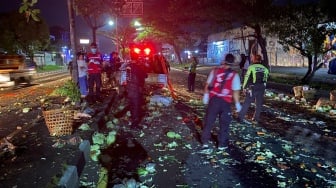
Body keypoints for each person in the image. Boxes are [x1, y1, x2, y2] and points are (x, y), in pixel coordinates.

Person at [201, 53, 242, 151]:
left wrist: (206, 96)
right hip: (225, 102)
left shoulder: (215, 71)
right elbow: (235, 91)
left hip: (213, 100)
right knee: (224, 123)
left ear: (223, 60)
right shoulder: (234, 75)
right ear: (233, 62)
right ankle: (222, 144)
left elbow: (207, 85)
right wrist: (237, 104)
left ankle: (205, 142)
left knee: (209, 121)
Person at [238, 54, 269, 124]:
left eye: (252, 58)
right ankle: (256, 119)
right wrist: (263, 88)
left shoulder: (251, 67)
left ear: (254, 59)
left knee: (247, 103)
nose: (252, 59)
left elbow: (247, 77)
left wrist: (244, 87)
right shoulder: (265, 69)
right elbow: (265, 79)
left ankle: (240, 117)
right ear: (260, 60)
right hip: (261, 88)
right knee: (259, 104)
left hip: (253, 87)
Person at [126, 53, 148, 130]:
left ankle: (132, 119)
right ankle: (134, 124)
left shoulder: (128, 66)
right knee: (136, 106)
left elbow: (128, 77)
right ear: (137, 58)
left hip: (129, 88)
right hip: (136, 88)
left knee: (132, 105)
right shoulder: (138, 67)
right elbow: (145, 75)